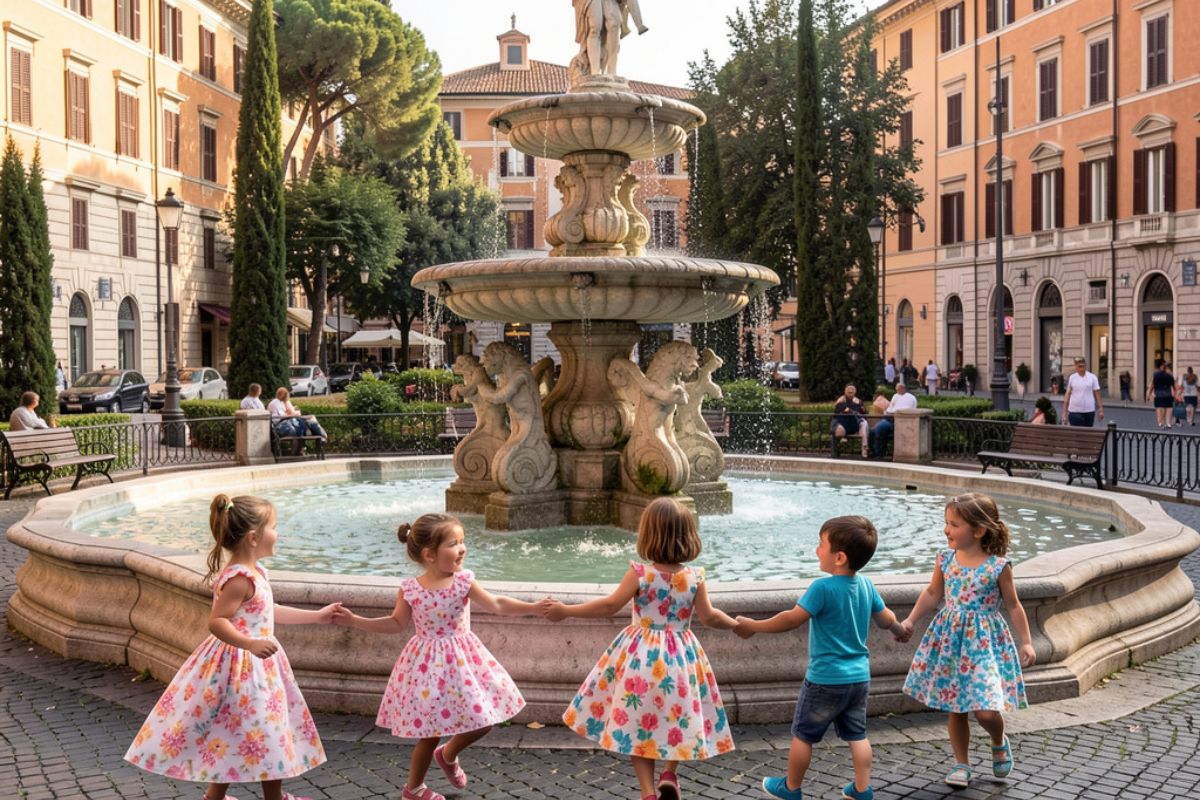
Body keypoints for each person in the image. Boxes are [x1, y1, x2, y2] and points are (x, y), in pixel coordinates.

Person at [125, 494, 338, 800]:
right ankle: (272, 797)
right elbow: (217, 621)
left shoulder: (256, 573)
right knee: (266, 728)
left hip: (257, 664)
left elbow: (268, 610)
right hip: (241, 667)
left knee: (233, 729)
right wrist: (249, 643)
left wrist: (317, 616)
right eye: (274, 527)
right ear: (254, 538)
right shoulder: (239, 579)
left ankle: (216, 796)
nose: (279, 533)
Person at [333, 513, 537, 800]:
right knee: (428, 734)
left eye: (463, 541)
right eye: (454, 543)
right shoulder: (411, 589)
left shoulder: (464, 582)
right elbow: (395, 624)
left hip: (463, 662)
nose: (463, 548)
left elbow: (497, 604)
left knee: (484, 720)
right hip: (426, 667)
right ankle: (413, 789)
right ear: (430, 554)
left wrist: (533, 607)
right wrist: (355, 621)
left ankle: (449, 753)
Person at [544, 497, 737, 800]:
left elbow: (609, 605)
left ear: (647, 534)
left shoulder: (640, 573)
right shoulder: (695, 577)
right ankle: (670, 772)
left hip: (642, 658)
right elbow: (710, 616)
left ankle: (648, 793)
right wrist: (739, 624)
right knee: (681, 717)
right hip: (681, 657)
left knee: (640, 727)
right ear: (689, 534)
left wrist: (567, 610)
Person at [735, 516, 906, 800]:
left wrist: (754, 626)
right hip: (859, 678)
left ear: (839, 557)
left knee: (804, 735)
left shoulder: (822, 588)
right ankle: (862, 789)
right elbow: (887, 618)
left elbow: (791, 619)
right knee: (858, 735)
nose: (816, 549)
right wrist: (901, 630)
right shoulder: (866, 585)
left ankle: (791, 788)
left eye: (820, 544)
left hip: (825, 679)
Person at [897, 493, 1036, 789]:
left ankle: (998, 739)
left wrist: (1026, 641)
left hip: (984, 643)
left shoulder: (998, 566)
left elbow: (1013, 605)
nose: (946, 530)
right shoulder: (945, 559)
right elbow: (933, 593)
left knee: (986, 709)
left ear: (978, 530)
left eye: (954, 524)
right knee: (956, 706)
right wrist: (910, 620)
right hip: (950, 640)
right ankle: (962, 763)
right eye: (946, 523)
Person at [871, 381, 917, 459]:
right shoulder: (895, 396)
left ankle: (879, 454)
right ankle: (876, 453)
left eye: (899, 389)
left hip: (899, 420)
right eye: (896, 389)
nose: (897, 391)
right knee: (871, 431)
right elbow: (891, 408)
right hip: (889, 417)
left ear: (904, 388)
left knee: (880, 427)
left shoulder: (910, 397)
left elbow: (906, 411)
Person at [1061, 357, 1103, 427]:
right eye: (1079, 366)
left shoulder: (1092, 377)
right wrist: (1064, 413)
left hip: (1089, 410)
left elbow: (1097, 394)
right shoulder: (1072, 378)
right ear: (1076, 367)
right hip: (1074, 411)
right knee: (1077, 433)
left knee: (1087, 433)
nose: (1082, 368)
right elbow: (1067, 395)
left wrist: (1101, 409)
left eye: (1083, 366)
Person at [831, 384, 869, 458]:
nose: (850, 390)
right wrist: (850, 410)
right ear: (845, 391)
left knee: (863, 425)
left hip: (856, 424)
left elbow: (864, 413)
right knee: (838, 430)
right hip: (843, 424)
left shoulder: (858, 401)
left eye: (853, 389)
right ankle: (835, 452)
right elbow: (837, 411)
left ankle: (864, 451)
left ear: (855, 391)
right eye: (849, 389)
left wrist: (860, 407)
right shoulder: (841, 400)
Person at [1147, 359, 1176, 429]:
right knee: (1168, 409)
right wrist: (1175, 395)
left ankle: (1161, 423)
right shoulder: (1170, 376)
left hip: (1159, 395)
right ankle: (1168, 423)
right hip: (1168, 395)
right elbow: (1173, 386)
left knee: (1160, 409)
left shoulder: (1156, 375)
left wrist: (1149, 394)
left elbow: (1152, 385)